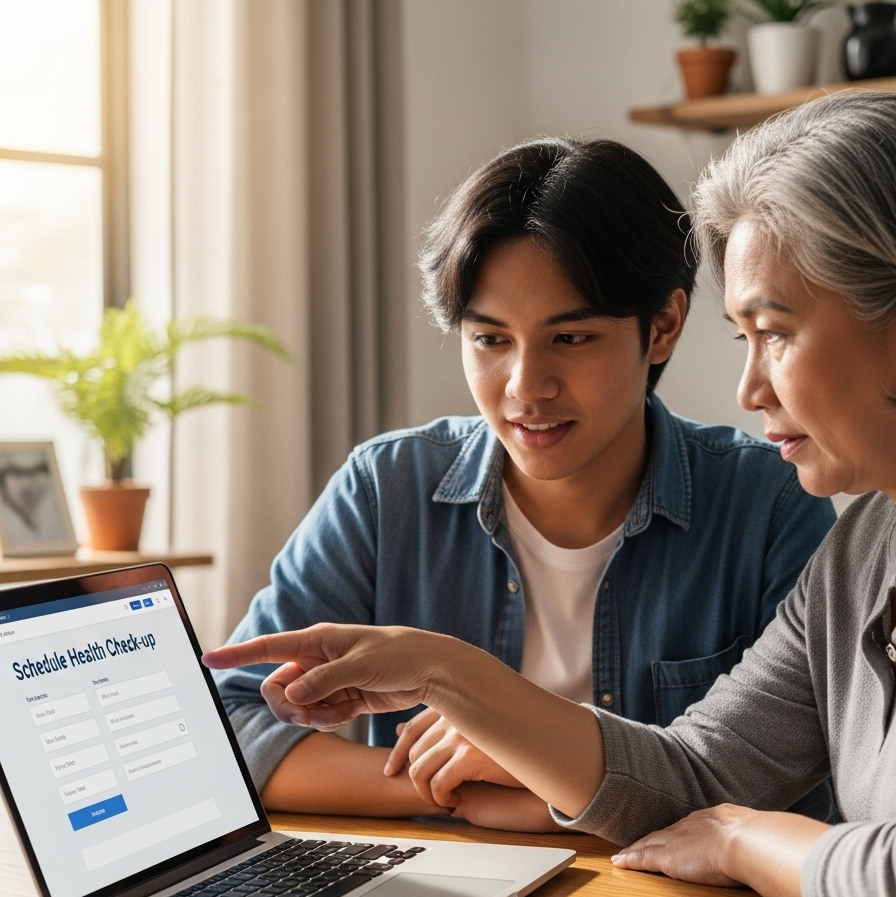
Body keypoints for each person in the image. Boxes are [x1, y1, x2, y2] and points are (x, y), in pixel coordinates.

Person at [205, 91, 896, 897]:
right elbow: (695, 774)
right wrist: (444, 671)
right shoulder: (867, 541)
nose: (749, 390)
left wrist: (742, 839)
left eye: (776, 334)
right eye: (743, 335)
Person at [213, 137, 835, 829]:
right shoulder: (387, 490)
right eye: (490, 340)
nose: (525, 388)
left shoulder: (769, 503)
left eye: (570, 340)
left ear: (662, 327)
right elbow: (228, 728)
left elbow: (805, 772)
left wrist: (549, 763)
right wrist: (469, 791)